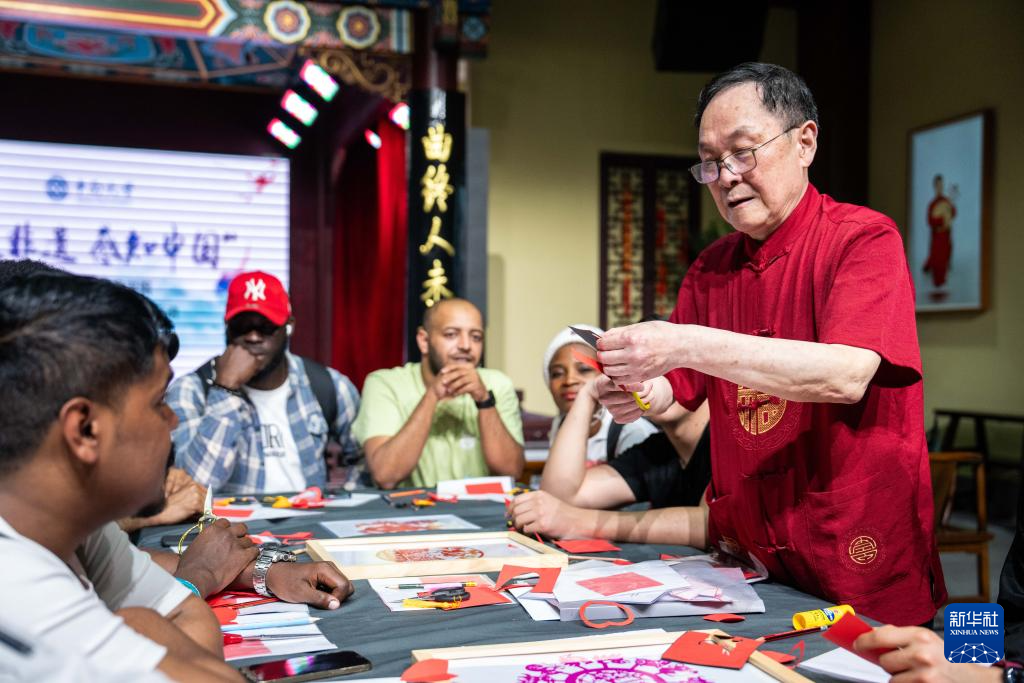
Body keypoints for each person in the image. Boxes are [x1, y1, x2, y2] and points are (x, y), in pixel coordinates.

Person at [593, 62, 946, 626]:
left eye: (742, 152)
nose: (725, 177)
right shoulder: (711, 268)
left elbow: (846, 375)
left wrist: (683, 341)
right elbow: (676, 392)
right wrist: (636, 390)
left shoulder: (862, 239)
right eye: (710, 162)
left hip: (849, 539)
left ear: (805, 143)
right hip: (748, 554)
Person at [0, 271, 240, 681]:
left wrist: (140, 623)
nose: (173, 419)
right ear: (85, 430)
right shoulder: (16, 591)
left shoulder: (76, 525)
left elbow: (189, 615)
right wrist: (140, 622)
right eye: (159, 402)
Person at [509, 327, 711, 543]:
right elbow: (560, 498)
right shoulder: (656, 451)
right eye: (643, 373)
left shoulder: (726, 443)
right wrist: (588, 394)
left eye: (671, 370)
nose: (654, 382)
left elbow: (712, 523)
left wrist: (577, 522)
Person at [167, 271, 360, 494]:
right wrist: (225, 388)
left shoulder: (328, 385)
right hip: (229, 517)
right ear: (227, 327)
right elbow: (193, 488)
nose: (253, 337)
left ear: (289, 326)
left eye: (265, 327)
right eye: (241, 326)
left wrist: (341, 502)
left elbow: (365, 464)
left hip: (310, 516)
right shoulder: (191, 390)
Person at [353, 298, 524, 489]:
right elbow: (385, 476)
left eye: (476, 337)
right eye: (451, 334)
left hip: (483, 503)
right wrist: (432, 394)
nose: (466, 345)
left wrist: (484, 399)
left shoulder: (497, 384)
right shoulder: (385, 384)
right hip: (412, 506)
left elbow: (511, 471)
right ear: (424, 341)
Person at [542, 325, 658, 463]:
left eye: (584, 369)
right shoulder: (559, 425)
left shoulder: (632, 431)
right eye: (557, 373)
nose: (569, 380)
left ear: (611, 374)